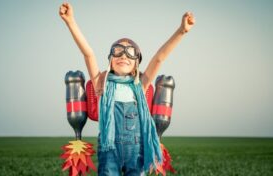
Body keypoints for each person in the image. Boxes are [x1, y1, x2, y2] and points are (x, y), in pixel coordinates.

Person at [59, 2, 195, 175]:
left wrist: (182, 31)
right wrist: (70, 21)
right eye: (118, 50)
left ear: (137, 63)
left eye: (130, 52)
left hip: (137, 152)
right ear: (110, 60)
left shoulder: (141, 84)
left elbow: (159, 58)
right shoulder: (101, 84)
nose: (123, 55)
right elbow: (88, 54)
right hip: (109, 152)